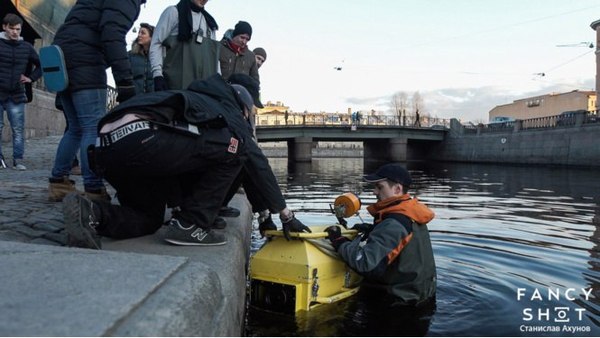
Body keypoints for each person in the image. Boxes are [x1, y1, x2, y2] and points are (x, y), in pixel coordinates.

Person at [62, 74, 310, 249]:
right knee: (238, 148)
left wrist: (262, 212)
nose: (249, 117)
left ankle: (91, 214)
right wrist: (286, 215)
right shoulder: (227, 108)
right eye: (250, 111)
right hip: (144, 137)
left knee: (148, 218)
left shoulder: (196, 99)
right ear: (243, 103)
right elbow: (254, 160)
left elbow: (190, 154)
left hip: (106, 147)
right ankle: (191, 225)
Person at [47, 0, 144, 202]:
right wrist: (125, 81)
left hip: (62, 56)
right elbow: (112, 34)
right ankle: (93, 187)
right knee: (92, 126)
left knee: (75, 128)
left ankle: (58, 182)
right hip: (86, 60)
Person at [325, 163, 436, 308]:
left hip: (398, 306)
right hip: (422, 297)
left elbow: (365, 264)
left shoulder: (394, 224)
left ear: (397, 189)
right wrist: (373, 230)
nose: (374, 192)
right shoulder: (411, 213)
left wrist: (339, 241)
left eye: (380, 187)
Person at [0, 13, 41, 170]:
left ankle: (18, 160)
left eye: (18, 29)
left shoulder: (26, 47)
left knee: (18, 129)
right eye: (12, 29)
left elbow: (41, 65)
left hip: (16, 95)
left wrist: (31, 78)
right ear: (5, 27)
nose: (15, 32)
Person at [150, 0, 219, 91]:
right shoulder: (173, 12)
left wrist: (218, 78)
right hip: (176, 85)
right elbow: (156, 43)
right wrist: (157, 74)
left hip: (203, 89)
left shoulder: (209, 22)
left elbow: (214, 58)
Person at [129, 23, 155, 94]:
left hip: (154, 98)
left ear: (151, 37)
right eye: (139, 32)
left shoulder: (158, 56)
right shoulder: (130, 55)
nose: (139, 35)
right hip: (134, 97)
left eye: (143, 33)